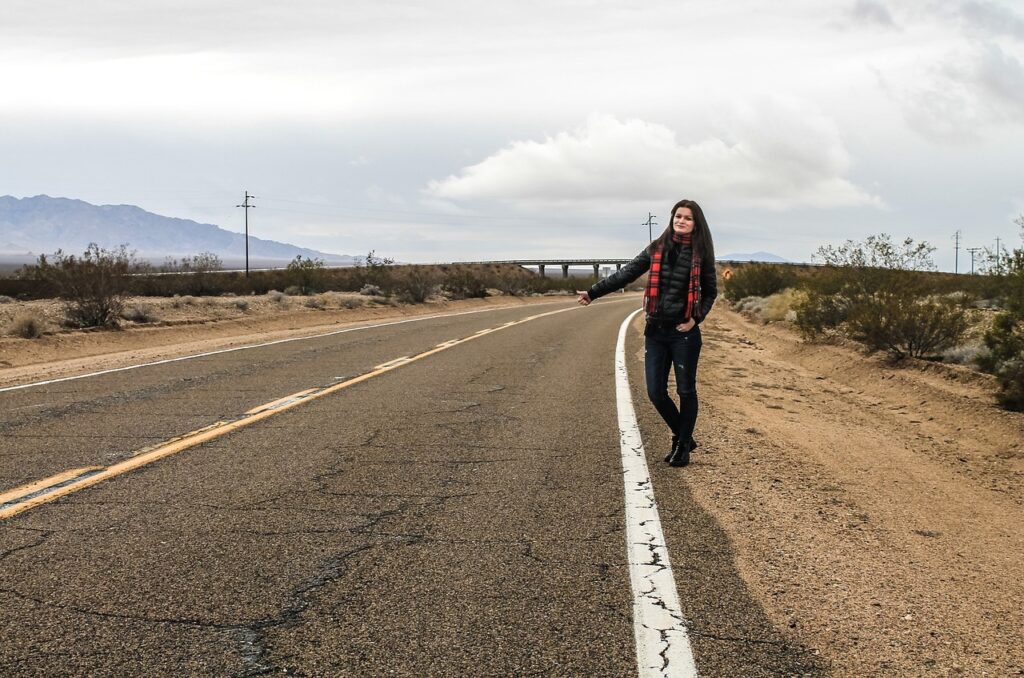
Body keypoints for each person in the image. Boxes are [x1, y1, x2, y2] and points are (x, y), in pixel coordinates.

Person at [577, 199, 717, 467]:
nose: (681, 221)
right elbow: (627, 274)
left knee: (686, 391)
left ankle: (682, 446)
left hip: (683, 333)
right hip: (655, 330)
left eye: (687, 218)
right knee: (655, 392)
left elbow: (710, 292)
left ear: (696, 223)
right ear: (672, 218)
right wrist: (593, 293)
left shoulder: (702, 254)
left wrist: (695, 320)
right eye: (678, 216)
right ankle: (684, 436)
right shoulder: (657, 248)